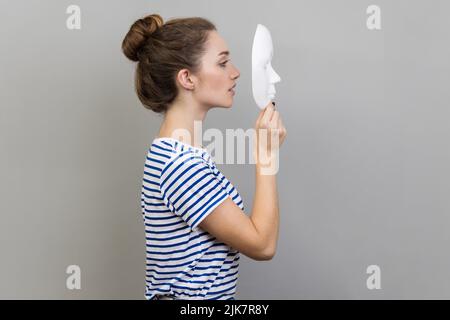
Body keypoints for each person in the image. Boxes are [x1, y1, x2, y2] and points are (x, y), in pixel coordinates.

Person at [121, 13, 287, 300]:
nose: (234, 72)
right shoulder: (180, 166)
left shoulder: (181, 154)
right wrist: (266, 156)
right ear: (187, 78)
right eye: (222, 63)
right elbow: (262, 245)